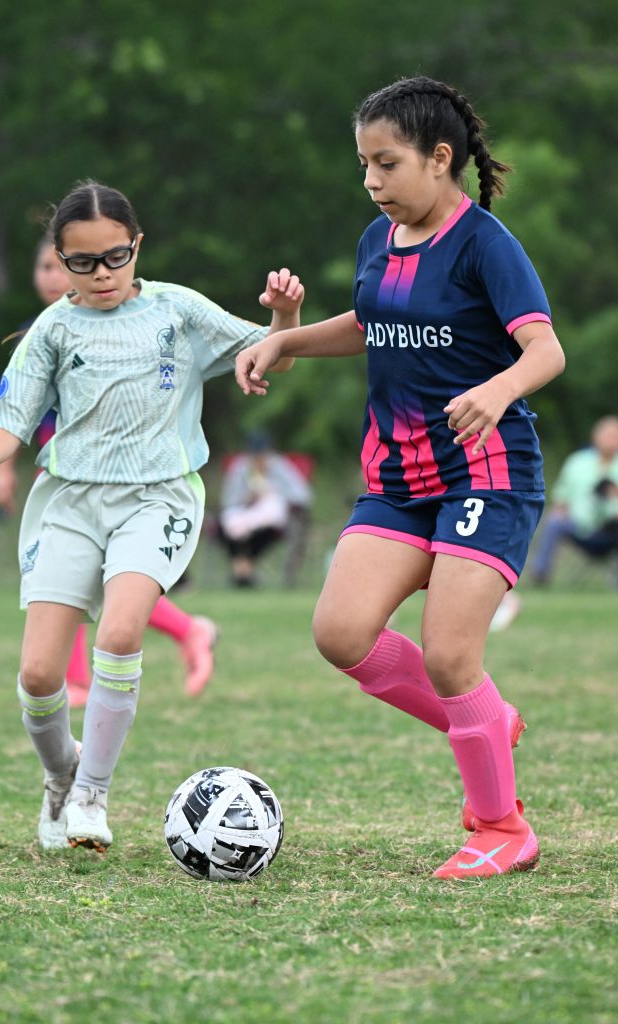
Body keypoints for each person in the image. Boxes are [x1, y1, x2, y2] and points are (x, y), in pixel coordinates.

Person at [235, 77, 565, 879]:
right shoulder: (376, 240)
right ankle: (486, 720)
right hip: (398, 478)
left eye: (386, 164)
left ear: (438, 158)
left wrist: (496, 390)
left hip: (486, 472)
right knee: (340, 633)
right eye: (363, 165)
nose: (371, 181)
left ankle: (501, 828)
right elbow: (371, 322)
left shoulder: (484, 244)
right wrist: (285, 338)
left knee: (450, 656)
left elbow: (545, 349)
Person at [0, 180, 304, 852]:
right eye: (82, 262)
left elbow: (269, 354)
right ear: (61, 259)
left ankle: (91, 794)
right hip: (70, 501)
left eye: (115, 257)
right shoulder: (53, 329)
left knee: (119, 631)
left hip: (158, 498)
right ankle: (61, 774)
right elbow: (10, 421)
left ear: (137, 246)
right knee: (39, 676)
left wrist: (285, 317)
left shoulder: (176, 310)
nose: (102, 274)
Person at [0, 235, 221, 706]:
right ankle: (181, 632)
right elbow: (17, 412)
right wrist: (1, 469)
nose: (51, 277)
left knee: (103, 580)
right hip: (63, 475)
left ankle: (102, 670)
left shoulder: (134, 323)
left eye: (57, 267)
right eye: (45, 267)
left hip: (122, 478)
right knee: (70, 578)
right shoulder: (42, 331)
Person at [529, 415, 618, 585]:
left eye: (615, 436)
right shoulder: (577, 462)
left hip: (614, 528)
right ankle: (540, 574)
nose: (610, 440)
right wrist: (560, 510)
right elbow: (561, 497)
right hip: (579, 524)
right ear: (595, 437)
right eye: (607, 435)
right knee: (554, 521)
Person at [218, 430, 313, 586]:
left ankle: (242, 570)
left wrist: (272, 492)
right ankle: (244, 571)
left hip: (272, 522)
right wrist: (247, 498)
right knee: (229, 526)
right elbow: (228, 500)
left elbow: (303, 495)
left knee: (263, 528)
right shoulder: (241, 467)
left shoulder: (279, 467)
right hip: (242, 515)